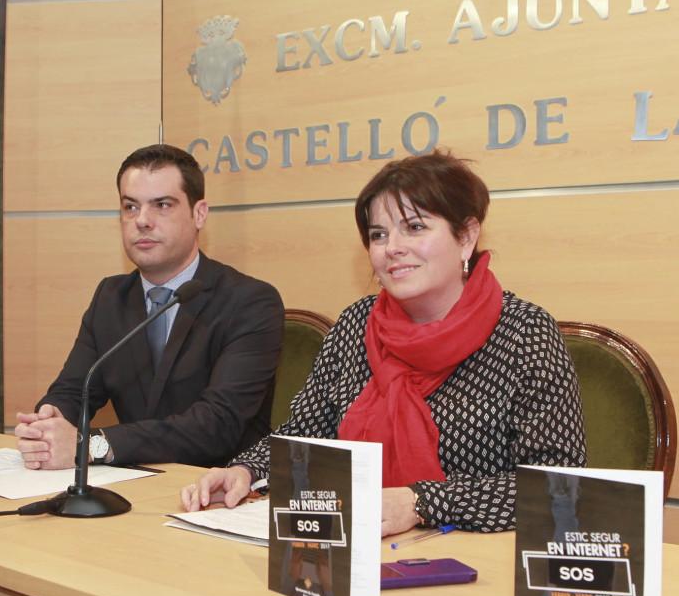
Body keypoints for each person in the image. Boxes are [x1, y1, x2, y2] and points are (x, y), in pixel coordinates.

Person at [181, 150, 586, 536]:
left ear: (466, 237)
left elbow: (556, 485)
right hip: (358, 545)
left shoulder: (524, 332)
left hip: (472, 560)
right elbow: (304, 435)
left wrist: (421, 502)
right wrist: (245, 471)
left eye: (415, 227)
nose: (392, 248)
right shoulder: (358, 324)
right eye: (379, 234)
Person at [14, 144, 284, 469]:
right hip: (134, 481)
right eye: (130, 207)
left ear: (199, 214)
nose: (142, 220)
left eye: (162, 205)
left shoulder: (250, 301)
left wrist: (93, 446)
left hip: (220, 485)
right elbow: (74, 391)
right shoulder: (111, 296)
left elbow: (216, 425)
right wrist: (48, 423)